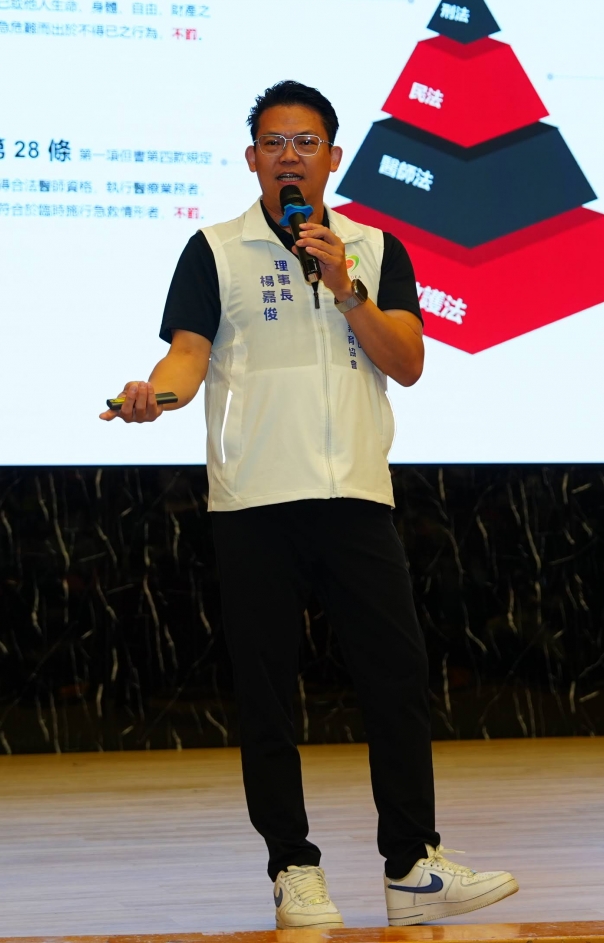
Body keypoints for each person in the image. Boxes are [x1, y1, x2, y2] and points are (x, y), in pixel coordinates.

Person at [101, 80, 519, 928]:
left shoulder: (374, 246)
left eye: (305, 143)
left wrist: (347, 286)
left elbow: (408, 362)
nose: (289, 156)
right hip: (255, 498)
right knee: (267, 693)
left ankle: (412, 865)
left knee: (396, 677)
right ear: (251, 157)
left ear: (334, 156)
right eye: (273, 143)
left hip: (356, 493)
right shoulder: (215, 249)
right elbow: (188, 355)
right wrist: (157, 395)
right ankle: (292, 865)